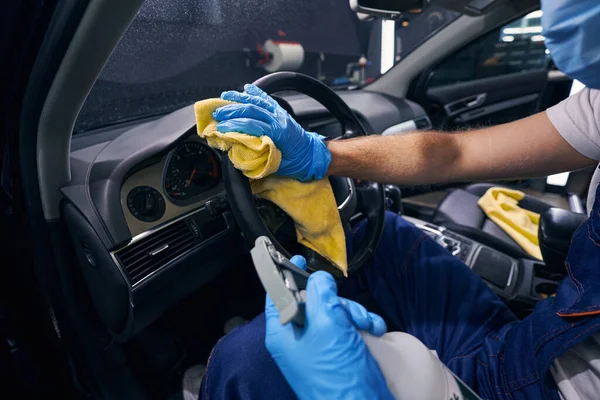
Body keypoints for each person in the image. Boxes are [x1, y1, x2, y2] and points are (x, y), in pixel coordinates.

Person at [197, 2, 600, 399]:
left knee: (247, 360)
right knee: (384, 235)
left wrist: (357, 393)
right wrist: (322, 155)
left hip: (538, 389)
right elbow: (454, 154)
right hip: (538, 344)